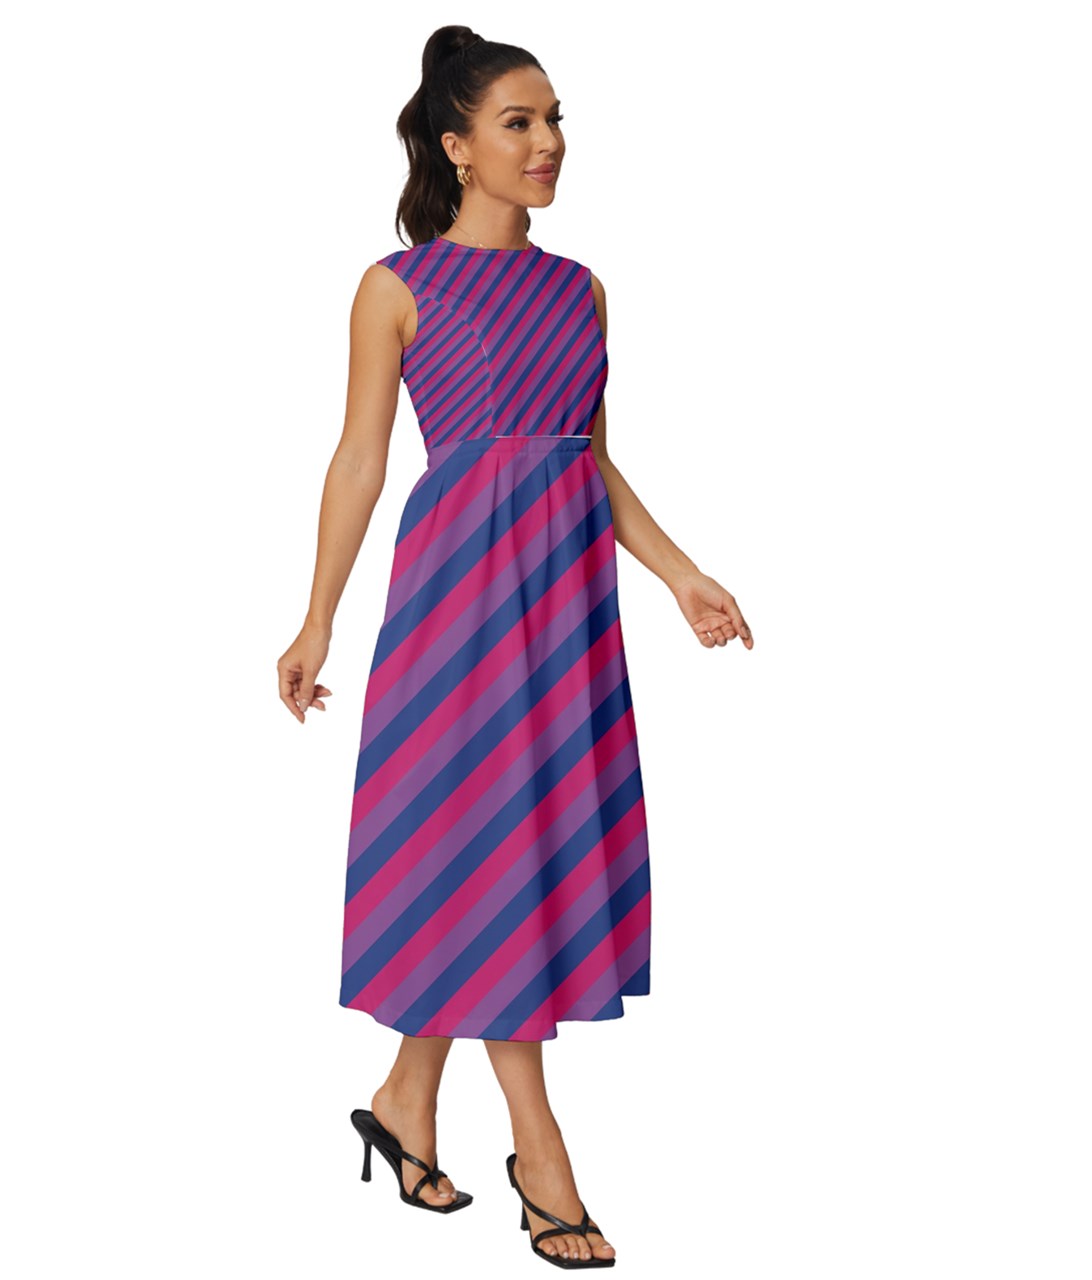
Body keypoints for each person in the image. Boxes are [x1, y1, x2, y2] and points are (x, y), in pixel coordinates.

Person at [278, 25, 753, 1269]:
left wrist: (680, 574)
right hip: (456, 604)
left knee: (501, 854)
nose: (547, 144)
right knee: (486, 845)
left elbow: (586, 457)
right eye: (517, 123)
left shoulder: (579, 289)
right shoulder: (396, 286)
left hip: (565, 603)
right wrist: (317, 615)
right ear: (456, 146)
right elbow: (360, 457)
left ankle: (403, 1099)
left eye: (554, 121)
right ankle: (540, 1153)